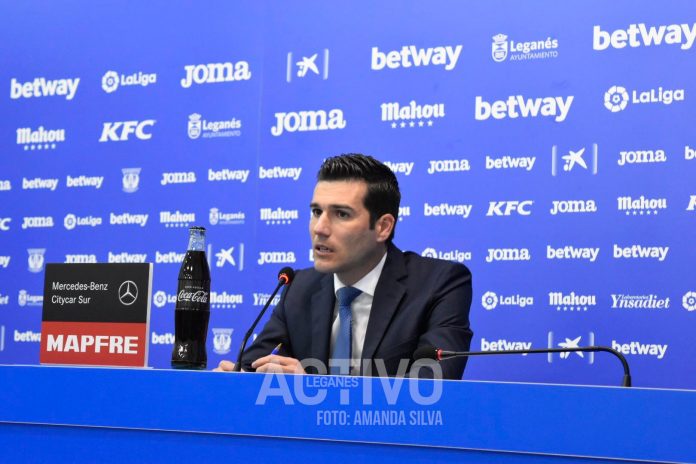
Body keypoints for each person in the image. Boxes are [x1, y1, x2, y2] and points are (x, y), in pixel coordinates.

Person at [215, 154, 472, 379]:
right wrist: (235, 380)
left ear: (383, 227)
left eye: (342, 214)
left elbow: (431, 384)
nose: (320, 228)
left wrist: (316, 389)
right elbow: (251, 366)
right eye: (316, 212)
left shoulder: (439, 283)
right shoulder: (298, 287)